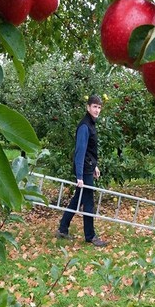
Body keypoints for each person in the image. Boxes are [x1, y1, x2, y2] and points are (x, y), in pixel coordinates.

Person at [56, 95, 107, 247]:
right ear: (88, 107)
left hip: (87, 167)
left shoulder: (91, 124)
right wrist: (80, 177)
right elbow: (80, 152)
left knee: (77, 199)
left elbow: (89, 151)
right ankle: (90, 236)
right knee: (88, 203)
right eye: (94, 107)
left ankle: (63, 228)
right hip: (83, 171)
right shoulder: (85, 126)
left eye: (99, 107)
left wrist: (95, 166)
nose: (97, 110)